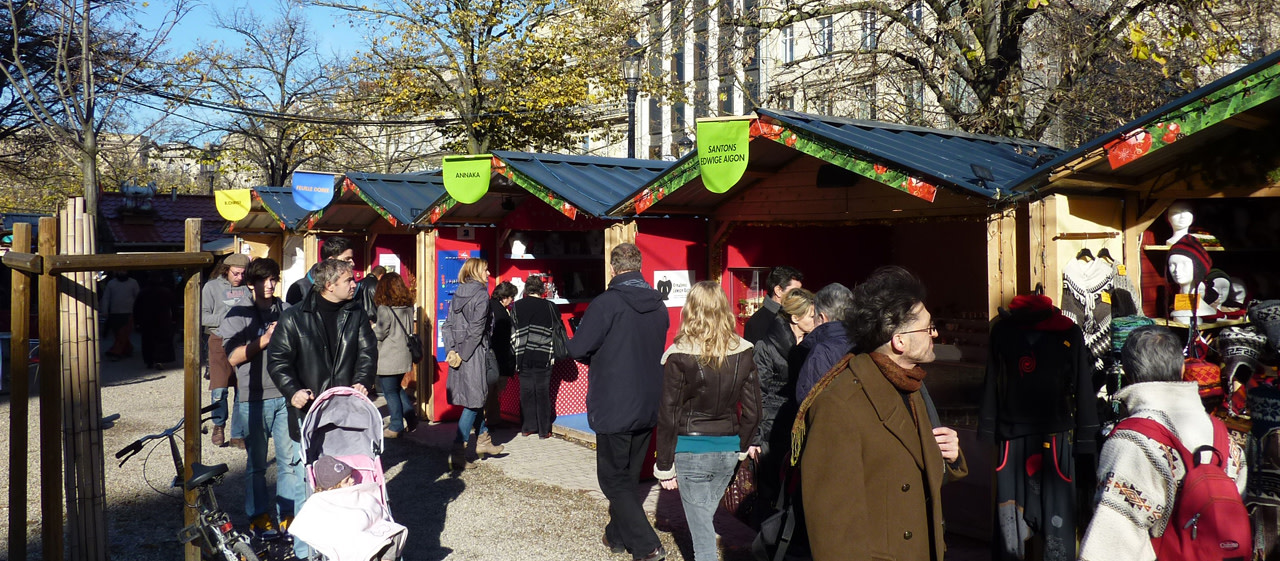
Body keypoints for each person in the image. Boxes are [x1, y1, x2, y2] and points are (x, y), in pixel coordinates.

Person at [792, 266, 967, 561]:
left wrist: (947, 457)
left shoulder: (911, 387)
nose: (935, 333)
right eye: (928, 327)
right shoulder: (839, 404)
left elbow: (909, 479)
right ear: (899, 341)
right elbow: (834, 529)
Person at [1078, 325, 1248, 561]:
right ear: (1181, 369)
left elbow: (1113, 542)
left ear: (1128, 374)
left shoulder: (1132, 441)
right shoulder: (1224, 437)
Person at [267, 257, 377, 560]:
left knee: (345, 487)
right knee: (309, 489)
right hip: (307, 416)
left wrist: (363, 381)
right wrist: (292, 391)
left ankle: (340, 550)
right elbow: (277, 361)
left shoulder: (356, 313)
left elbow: (368, 352)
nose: (355, 284)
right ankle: (306, 554)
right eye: (349, 280)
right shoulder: (294, 318)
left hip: (346, 419)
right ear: (329, 286)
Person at [567, 243, 669, 561]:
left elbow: (577, 348)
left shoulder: (606, 303)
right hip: (648, 400)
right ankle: (616, 536)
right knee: (627, 478)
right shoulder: (659, 305)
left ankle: (646, 544)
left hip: (613, 401)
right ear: (639, 266)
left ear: (612, 269)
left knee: (612, 479)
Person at [653, 281, 762, 561]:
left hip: (691, 451)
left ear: (690, 310)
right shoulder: (744, 351)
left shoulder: (679, 354)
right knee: (703, 520)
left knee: (702, 537)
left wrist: (664, 466)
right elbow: (753, 410)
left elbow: (669, 413)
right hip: (728, 449)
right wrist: (741, 447)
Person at [217, 257, 305, 541]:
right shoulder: (236, 315)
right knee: (256, 464)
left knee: (290, 461)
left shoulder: (289, 310)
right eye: (263, 280)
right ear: (251, 283)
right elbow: (233, 357)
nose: (269, 284)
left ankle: (288, 515)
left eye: (273, 279)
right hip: (253, 398)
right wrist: (264, 340)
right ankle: (258, 517)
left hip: (286, 395)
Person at [753, 287, 815, 510]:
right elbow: (756, 393)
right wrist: (755, 436)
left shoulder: (812, 345)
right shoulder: (766, 347)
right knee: (770, 492)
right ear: (795, 317)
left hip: (800, 425)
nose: (816, 319)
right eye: (811, 315)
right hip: (773, 427)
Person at [442, 257, 504, 469]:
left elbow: (448, 325)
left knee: (474, 398)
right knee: (474, 402)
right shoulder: (481, 296)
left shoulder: (458, 293)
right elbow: (477, 330)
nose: (488, 274)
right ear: (477, 271)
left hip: (460, 352)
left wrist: (451, 349)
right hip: (474, 353)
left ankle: (484, 439)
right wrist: (463, 354)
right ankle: (457, 452)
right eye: (486, 270)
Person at [201, 254, 252, 448]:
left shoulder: (249, 287)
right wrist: (228, 318)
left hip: (243, 341)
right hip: (219, 340)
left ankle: (238, 433)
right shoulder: (211, 287)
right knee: (219, 388)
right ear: (226, 269)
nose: (239, 277)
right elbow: (202, 316)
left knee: (242, 387)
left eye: (243, 274)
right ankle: (218, 424)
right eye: (235, 273)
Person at [372, 271, 417, 438]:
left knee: (389, 392)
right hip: (404, 355)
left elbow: (380, 334)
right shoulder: (408, 307)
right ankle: (411, 418)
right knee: (397, 389)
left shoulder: (384, 309)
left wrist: (373, 329)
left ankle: (396, 425)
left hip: (389, 357)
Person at [512, 275, 557, 438]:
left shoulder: (516, 306)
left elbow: (513, 331)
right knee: (542, 392)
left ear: (526, 289)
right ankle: (544, 430)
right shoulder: (550, 306)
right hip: (544, 354)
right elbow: (556, 330)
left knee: (526, 391)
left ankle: (527, 427)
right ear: (541, 290)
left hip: (523, 354)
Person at [486, 281, 518, 427]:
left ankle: (491, 418)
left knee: (490, 391)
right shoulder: (502, 314)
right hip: (499, 358)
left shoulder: (489, 305)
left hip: (489, 355)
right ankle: (493, 420)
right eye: (511, 297)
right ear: (505, 297)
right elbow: (503, 339)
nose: (512, 300)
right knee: (496, 391)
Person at [286, 236, 355, 305]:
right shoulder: (300, 288)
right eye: (347, 259)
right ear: (331, 260)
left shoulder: (353, 287)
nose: (352, 263)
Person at [743, 266, 803, 344]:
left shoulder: (795, 316)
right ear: (778, 291)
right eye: (795, 292)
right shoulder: (757, 323)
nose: (800, 296)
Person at [134, 271, 176, 369]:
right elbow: (173, 307)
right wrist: (174, 319)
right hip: (163, 319)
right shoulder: (166, 291)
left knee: (148, 342)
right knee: (162, 341)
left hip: (147, 320)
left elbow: (137, 308)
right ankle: (160, 360)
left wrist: (137, 322)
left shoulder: (143, 292)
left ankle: (149, 361)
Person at [101, 270, 141, 360]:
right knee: (118, 334)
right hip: (114, 312)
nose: (122, 273)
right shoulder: (111, 283)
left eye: (124, 271)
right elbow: (106, 298)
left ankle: (115, 351)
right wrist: (105, 310)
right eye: (120, 271)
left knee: (123, 333)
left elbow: (138, 297)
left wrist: (138, 310)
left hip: (129, 311)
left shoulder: (133, 282)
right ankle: (127, 349)